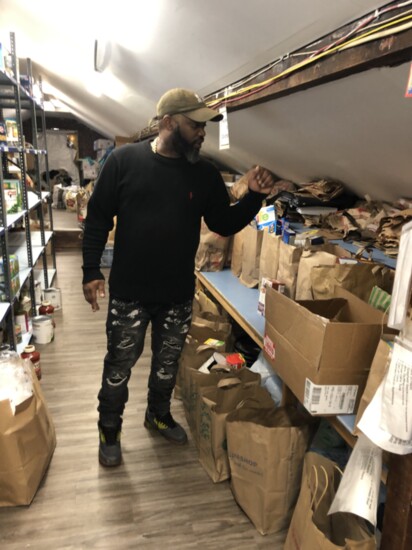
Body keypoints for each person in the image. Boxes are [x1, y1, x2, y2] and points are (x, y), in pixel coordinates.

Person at [82, 88, 275, 467]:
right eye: (195, 125)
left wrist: (252, 197)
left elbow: (222, 221)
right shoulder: (123, 162)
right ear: (168, 123)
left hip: (176, 294)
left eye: (204, 126)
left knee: (167, 364)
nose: (202, 133)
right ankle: (109, 428)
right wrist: (91, 271)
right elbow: (98, 218)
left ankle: (157, 414)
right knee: (119, 366)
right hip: (129, 293)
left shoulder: (203, 174)